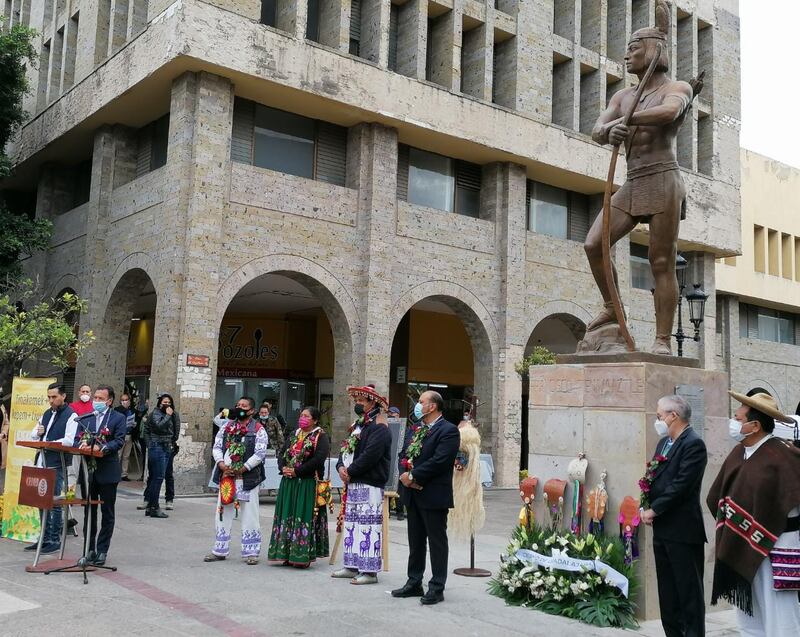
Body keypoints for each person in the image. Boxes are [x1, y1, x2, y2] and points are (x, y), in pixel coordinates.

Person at [584, 1, 696, 355]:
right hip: (634, 181)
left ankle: (662, 340)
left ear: (652, 51)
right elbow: (596, 129)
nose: (627, 57)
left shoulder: (676, 87)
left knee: (660, 261)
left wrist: (628, 122)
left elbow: (669, 112)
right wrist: (609, 131)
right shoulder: (623, 95)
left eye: (634, 50)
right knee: (594, 244)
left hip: (664, 178)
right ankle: (611, 306)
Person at [707, 391, 800, 637]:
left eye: (738, 418)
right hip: (740, 546)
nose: (734, 422)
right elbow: (718, 495)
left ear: (755, 425)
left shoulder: (784, 457)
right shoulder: (738, 454)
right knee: (750, 618)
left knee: (780, 617)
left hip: (777, 548)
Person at [639, 395, 707, 637]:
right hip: (663, 530)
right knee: (668, 596)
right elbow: (653, 478)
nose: (658, 420)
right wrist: (644, 503)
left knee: (688, 595)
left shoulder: (693, 444)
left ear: (673, 416)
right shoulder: (664, 443)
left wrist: (654, 509)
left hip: (683, 531)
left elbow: (681, 485)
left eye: (659, 416)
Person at [392, 390, 459, 605]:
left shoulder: (448, 430)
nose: (417, 405)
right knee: (416, 541)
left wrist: (413, 475)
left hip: (433, 494)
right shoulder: (417, 428)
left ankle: (437, 586)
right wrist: (405, 475)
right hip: (413, 493)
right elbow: (404, 454)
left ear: (433, 406)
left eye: (421, 402)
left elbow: (440, 461)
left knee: (437, 542)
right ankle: (414, 581)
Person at [332, 384, 392, 585]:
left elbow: (371, 456)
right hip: (354, 482)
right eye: (356, 401)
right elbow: (344, 451)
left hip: (369, 483)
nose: (357, 404)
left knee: (368, 526)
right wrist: (341, 467)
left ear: (372, 402)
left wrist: (350, 471)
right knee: (352, 525)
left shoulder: (379, 427)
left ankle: (369, 571)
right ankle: (352, 565)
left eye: (361, 401)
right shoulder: (357, 426)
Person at [204, 396, 268, 565]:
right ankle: (219, 549)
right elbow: (217, 447)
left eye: (244, 406)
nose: (240, 408)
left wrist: (244, 467)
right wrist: (222, 464)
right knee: (223, 511)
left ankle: (251, 552)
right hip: (227, 477)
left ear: (251, 410)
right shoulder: (227, 426)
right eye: (238, 405)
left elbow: (260, 453)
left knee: (250, 513)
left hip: (247, 479)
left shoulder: (259, 429)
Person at [267, 406, 330, 567]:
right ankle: (285, 552)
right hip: (289, 481)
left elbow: (318, 459)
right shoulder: (294, 434)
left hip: (307, 482)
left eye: (307, 416)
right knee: (287, 514)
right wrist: (284, 468)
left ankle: (302, 555)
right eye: (301, 415)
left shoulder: (320, 436)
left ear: (315, 420)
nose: (302, 418)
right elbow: (282, 452)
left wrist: (297, 471)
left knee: (303, 515)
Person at [23, 383, 79, 554]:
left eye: (54, 397)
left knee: (54, 502)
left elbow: (70, 441)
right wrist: (39, 432)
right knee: (41, 501)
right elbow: (34, 433)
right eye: (48, 397)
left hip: (57, 462)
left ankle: (54, 539)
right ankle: (44, 538)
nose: (50, 400)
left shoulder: (72, 415)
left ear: (63, 396)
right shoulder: (47, 413)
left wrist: (49, 443)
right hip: (42, 461)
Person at [76, 385, 127, 566]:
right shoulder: (86, 419)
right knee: (90, 511)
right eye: (94, 397)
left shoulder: (118, 418)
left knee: (107, 512)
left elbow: (119, 440)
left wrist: (102, 448)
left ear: (109, 401)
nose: (95, 401)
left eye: (99, 398)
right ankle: (89, 549)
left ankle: (102, 550)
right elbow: (77, 438)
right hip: (88, 472)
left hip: (107, 471)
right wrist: (82, 445)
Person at [141, 394, 178, 518]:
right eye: (164, 402)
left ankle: (152, 505)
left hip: (168, 446)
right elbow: (158, 426)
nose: (167, 404)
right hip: (157, 446)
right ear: (160, 403)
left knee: (162, 476)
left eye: (169, 402)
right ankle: (154, 506)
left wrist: (173, 442)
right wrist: (167, 415)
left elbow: (175, 430)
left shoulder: (174, 414)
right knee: (157, 477)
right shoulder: (156, 413)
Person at [115, 393, 137, 481]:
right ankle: (115, 473)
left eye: (126, 400)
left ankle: (124, 474)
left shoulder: (132, 410)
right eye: (123, 400)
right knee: (118, 455)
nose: (125, 402)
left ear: (129, 401)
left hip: (129, 435)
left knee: (126, 456)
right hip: (120, 436)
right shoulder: (117, 410)